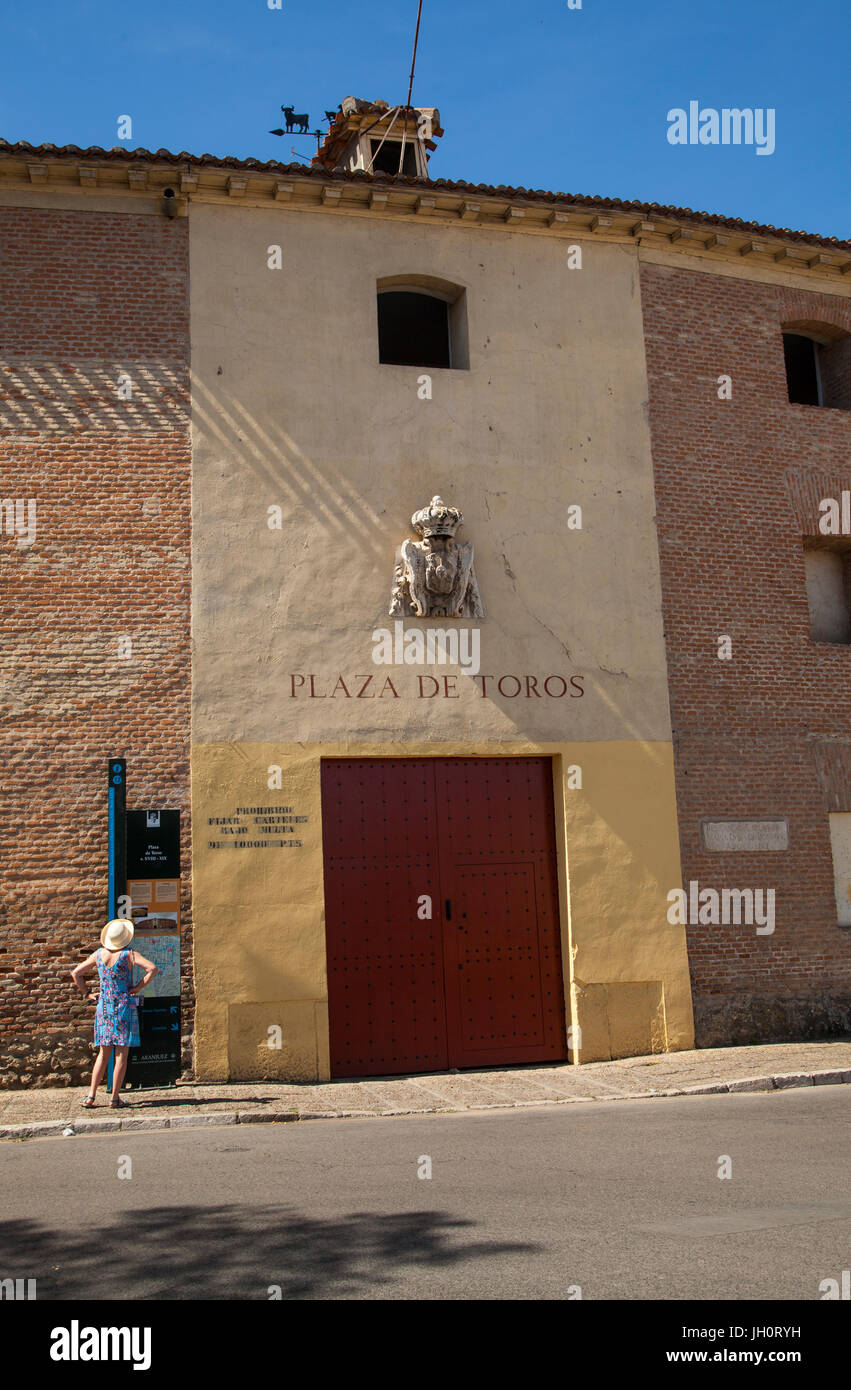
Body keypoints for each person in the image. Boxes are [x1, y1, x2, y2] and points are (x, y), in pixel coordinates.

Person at [71, 919, 157, 1108]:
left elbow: (76, 973)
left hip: (104, 1006)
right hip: (123, 1005)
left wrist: (87, 993)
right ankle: (115, 1098)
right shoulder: (128, 954)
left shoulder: (99, 954)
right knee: (121, 1054)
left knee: (103, 1053)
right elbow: (152, 969)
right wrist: (137, 988)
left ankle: (91, 1096)